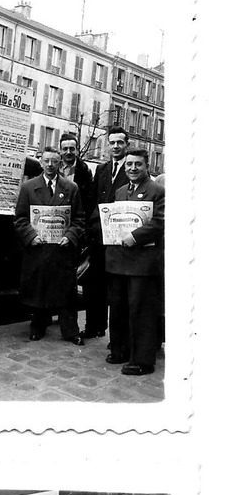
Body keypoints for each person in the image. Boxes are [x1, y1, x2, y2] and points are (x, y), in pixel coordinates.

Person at [14, 147, 87, 344]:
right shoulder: (29, 187)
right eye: (46, 161)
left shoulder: (71, 188)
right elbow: (20, 219)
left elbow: (79, 219)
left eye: (54, 161)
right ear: (40, 162)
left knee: (66, 291)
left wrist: (70, 236)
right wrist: (31, 236)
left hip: (62, 249)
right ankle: (37, 327)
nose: (50, 165)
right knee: (39, 288)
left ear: (60, 162)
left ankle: (70, 331)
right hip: (39, 248)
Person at [105, 148, 165, 376]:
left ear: (146, 166)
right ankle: (120, 350)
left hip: (143, 262)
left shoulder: (158, 191)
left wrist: (136, 236)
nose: (132, 168)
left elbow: (161, 222)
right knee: (118, 307)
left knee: (141, 310)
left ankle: (142, 360)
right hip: (119, 259)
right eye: (129, 164)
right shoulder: (120, 191)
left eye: (137, 164)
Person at [85, 125, 130, 340]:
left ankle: (118, 336)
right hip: (98, 236)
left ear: (127, 145)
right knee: (95, 283)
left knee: (117, 287)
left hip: (119, 238)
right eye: (112, 142)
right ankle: (95, 326)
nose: (116, 146)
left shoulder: (131, 169)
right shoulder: (102, 169)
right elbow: (94, 200)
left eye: (120, 142)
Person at [58, 132, 100, 339]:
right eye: (64, 148)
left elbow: (89, 201)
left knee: (69, 278)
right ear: (60, 149)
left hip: (73, 228)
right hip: (51, 227)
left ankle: (69, 325)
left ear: (76, 149)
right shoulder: (53, 166)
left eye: (71, 148)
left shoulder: (84, 172)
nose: (68, 152)